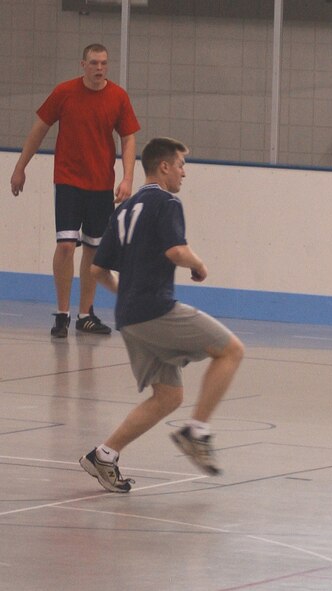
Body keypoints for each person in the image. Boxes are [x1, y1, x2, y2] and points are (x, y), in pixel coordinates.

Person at [79, 137, 244, 492]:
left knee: (168, 396)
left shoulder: (124, 208)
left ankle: (104, 455)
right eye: (181, 165)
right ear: (164, 167)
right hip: (156, 308)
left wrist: (128, 295)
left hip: (129, 316)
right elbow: (176, 250)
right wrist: (198, 264)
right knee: (231, 350)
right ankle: (196, 431)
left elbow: (97, 271)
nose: (184, 173)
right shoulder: (167, 201)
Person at [9, 43, 140, 338]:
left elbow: (129, 137)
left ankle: (86, 314)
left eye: (104, 63)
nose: (99, 68)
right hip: (69, 181)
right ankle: (62, 313)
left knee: (94, 250)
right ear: (82, 65)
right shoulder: (64, 93)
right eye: (93, 63)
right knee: (66, 245)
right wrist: (21, 167)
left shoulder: (118, 97)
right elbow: (39, 128)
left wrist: (127, 177)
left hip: (101, 184)